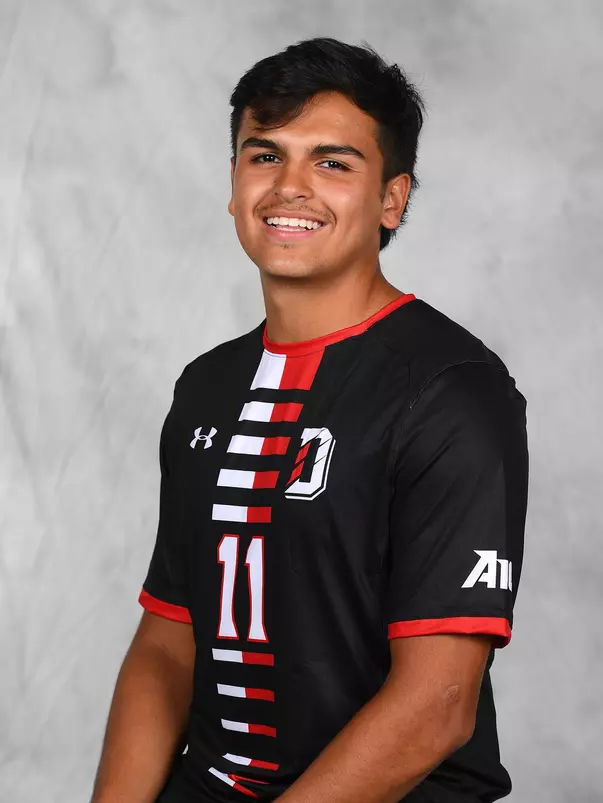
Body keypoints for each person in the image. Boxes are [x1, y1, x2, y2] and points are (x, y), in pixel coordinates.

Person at [91, 37, 529, 803]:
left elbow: (437, 705)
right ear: (232, 182)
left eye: (332, 162)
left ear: (392, 198)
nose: (289, 187)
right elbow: (167, 643)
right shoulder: (205, 386)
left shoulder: (453, 392)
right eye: (264, 156)